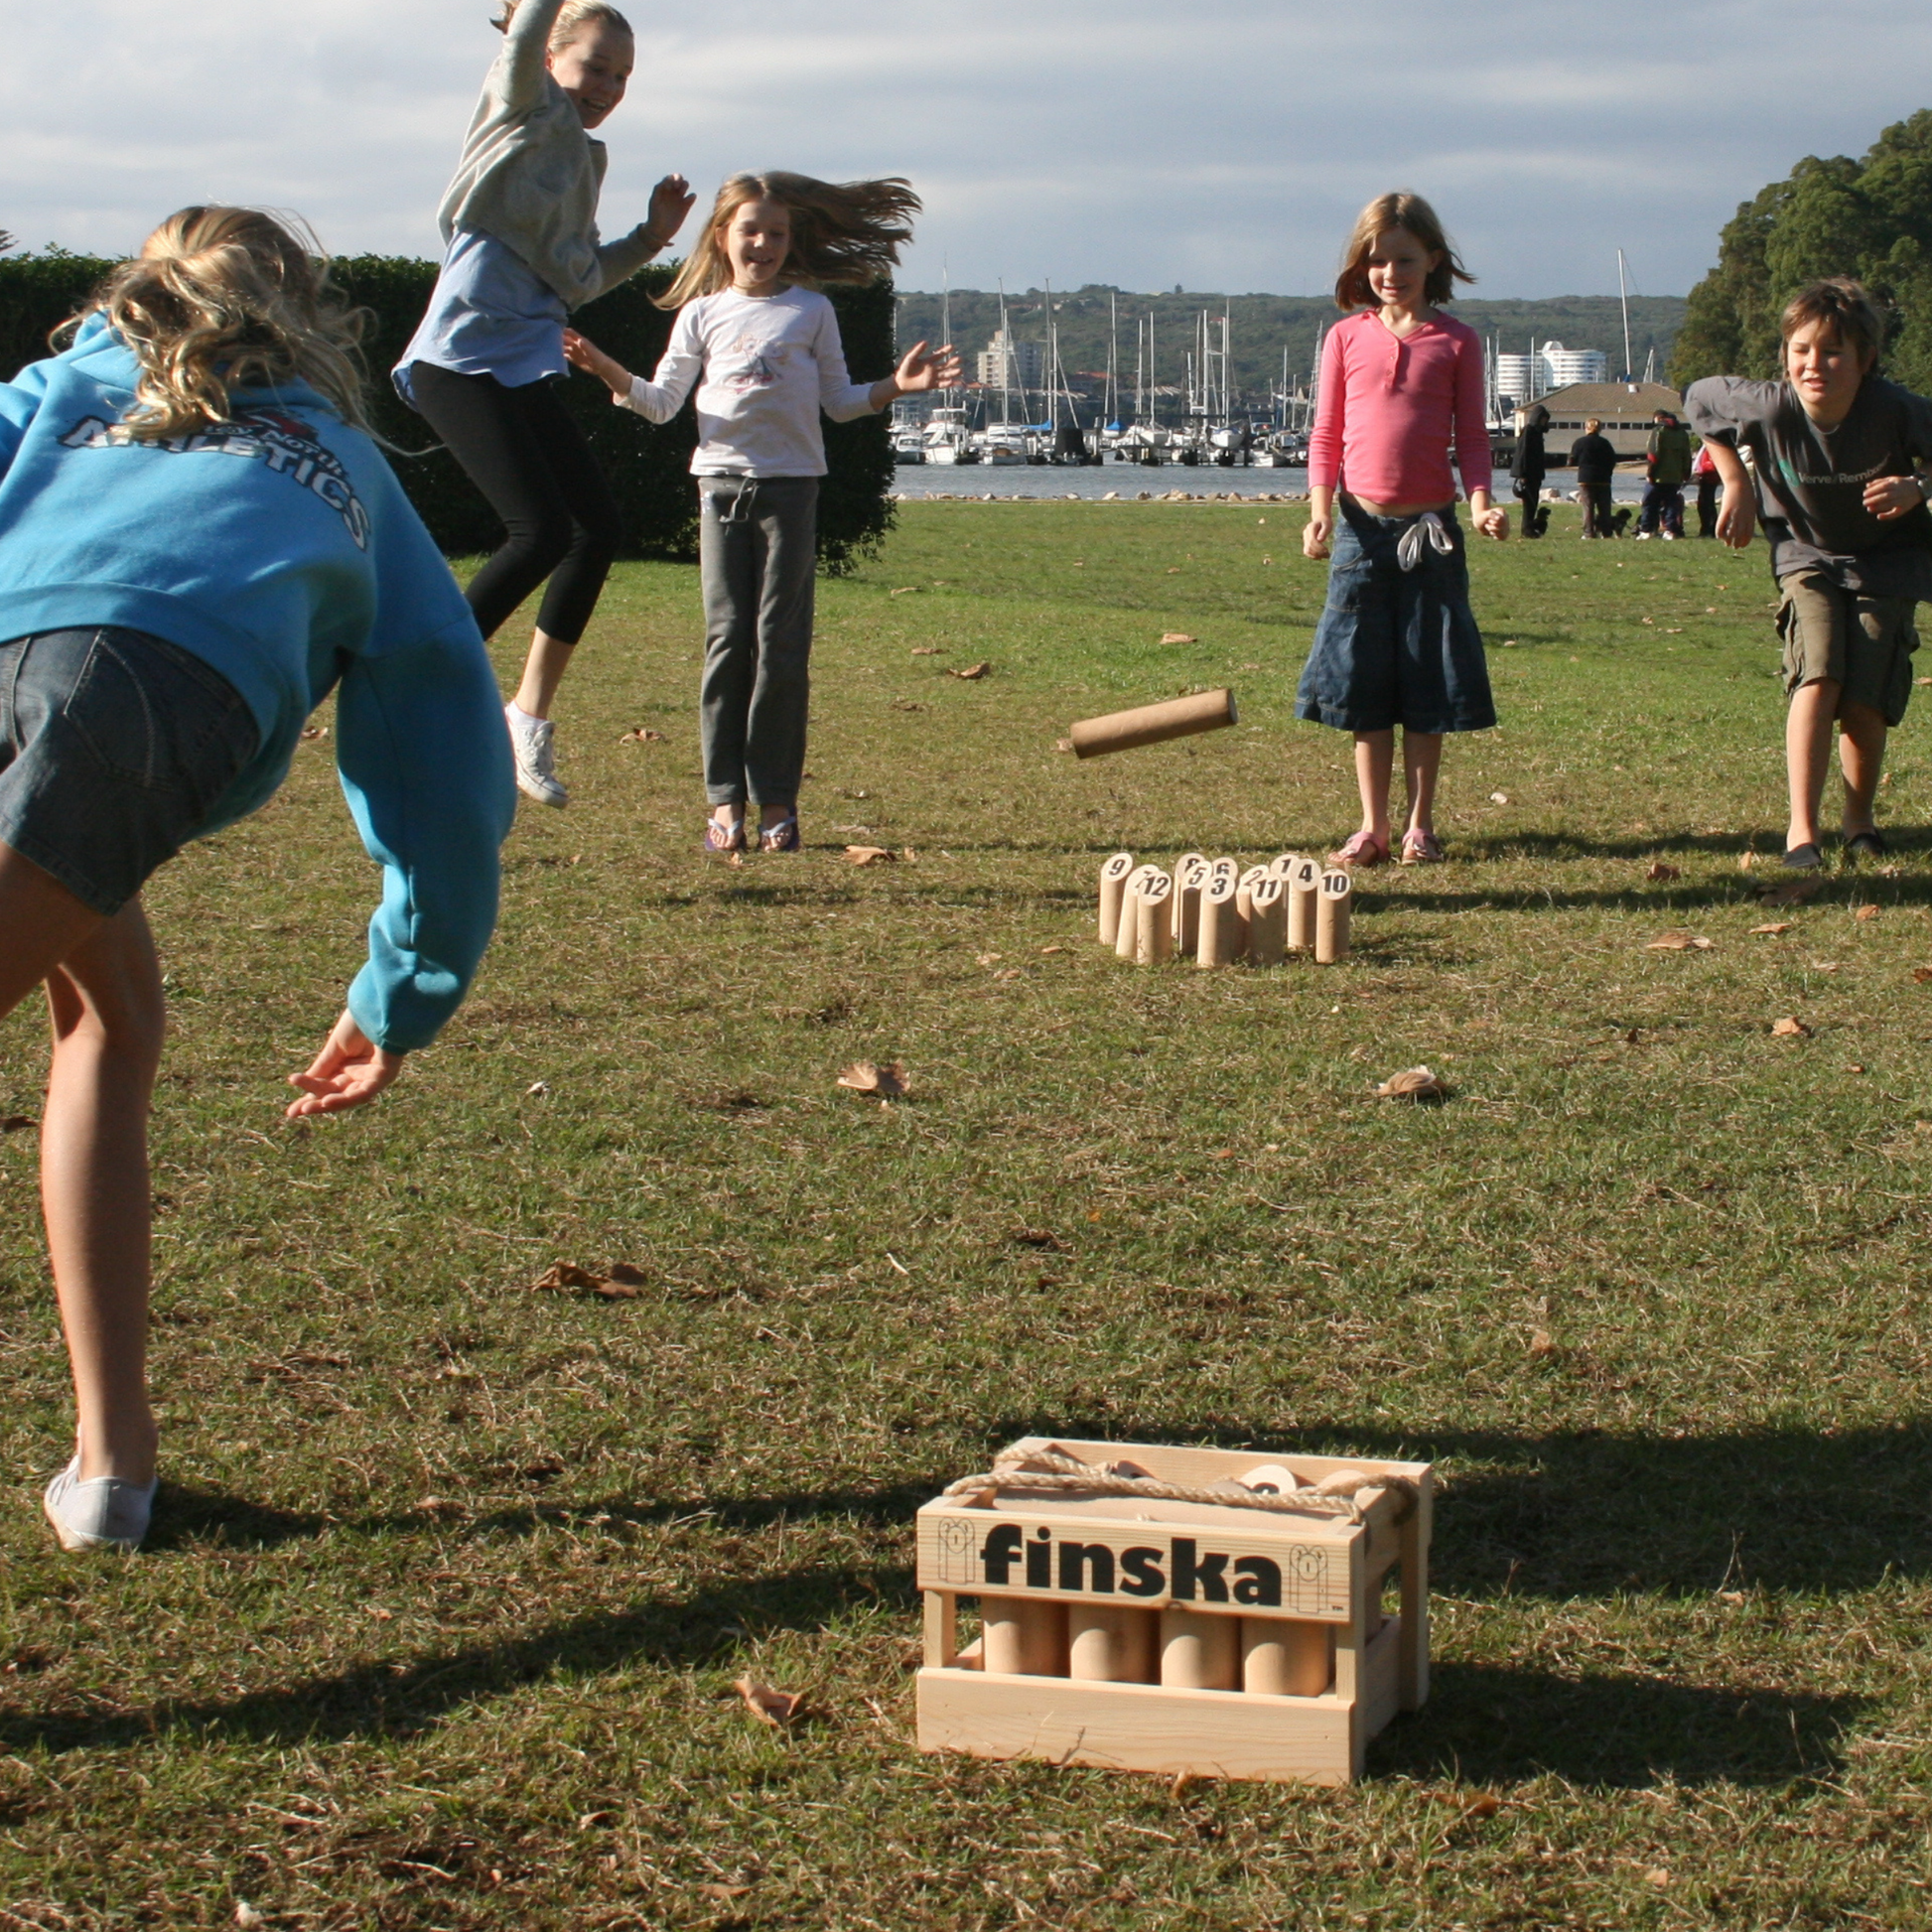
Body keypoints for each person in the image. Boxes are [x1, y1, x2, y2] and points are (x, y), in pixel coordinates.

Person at [0, 207, 515, 1551]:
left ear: (144, 290)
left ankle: (113, 1469)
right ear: (313, 316)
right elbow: (443, 764)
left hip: (33, 670)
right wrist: (404, 983)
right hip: (133, 710)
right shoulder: (346, 458)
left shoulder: (69, 386)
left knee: (112, 1019)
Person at [564, 174, 960, 853]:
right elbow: (661, 403)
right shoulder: (701, 313)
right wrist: (605, 369)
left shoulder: (811, 311)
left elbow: (838, 401)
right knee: (727, 643)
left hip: (792, 491)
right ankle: (725, 804)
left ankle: (777, 801)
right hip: (719, 490)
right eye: (751, 230)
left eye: (777, 233)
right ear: (723, 237)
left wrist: (897, 387)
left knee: (781, 646)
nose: (764, 243)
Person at [396, 0, 696, 808]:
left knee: (595, 527)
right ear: (548, 55)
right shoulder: (519, 106)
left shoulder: (585, 161)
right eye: (595, 65)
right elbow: (524, 35)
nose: (606, 85)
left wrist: (652, 237)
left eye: (622, 76)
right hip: (457, 363)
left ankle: (525, 715)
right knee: (539, 532)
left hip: (522, 362)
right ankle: (416, 687)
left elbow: (578, 278)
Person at [1689, 277, 1932, 869]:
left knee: (1865, 703)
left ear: (1866, 359)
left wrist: (1917, 486)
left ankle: (1859, 822)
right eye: (1801, 351)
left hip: (1887, 561)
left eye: (1831, 352)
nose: (1813, 365)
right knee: (1817, 674)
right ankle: (1803, 833)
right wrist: (1737, 481)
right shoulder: (1768, 404)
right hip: (1806, 555)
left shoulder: (1897, 410)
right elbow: (1698, 401)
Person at [1298, 191, 1506, 868]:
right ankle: (1371, 827)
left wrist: (1480, 504)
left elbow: (1471, 439)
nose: (1390, 272)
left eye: (1405, 259)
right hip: (1359, 532)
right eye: (1378, 260)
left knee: (1426, 681)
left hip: (1430, 536)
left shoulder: (1457, 342)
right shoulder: (1345, 337)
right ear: (1362, 266)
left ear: (1434, 261)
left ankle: (1419, 825)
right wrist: (1320, 508)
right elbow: (1326, 434)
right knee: (1365, 684)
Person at [1637, 409, 1692, 539]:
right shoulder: (1682, 433)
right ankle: (1671, 530)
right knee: (1672, 504)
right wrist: (1686, 473)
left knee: (1649, 503)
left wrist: (1650, 472)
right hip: (1675, 475)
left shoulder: (1658, 431)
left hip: (1658, 475)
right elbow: (1687, 455)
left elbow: (1653, 454)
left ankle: (1647, 530)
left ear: (1660, 418)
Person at [1570, 416, 1621, 537]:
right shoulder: (1605, 443)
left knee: (1588, 507)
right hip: (1603, 479)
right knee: (1604, 508)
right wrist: (1608, 472)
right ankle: (1606, 532)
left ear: (1586, 428)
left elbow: (1572, 460)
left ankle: (1589, 532)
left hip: (1586, 478)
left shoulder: (1580, 442)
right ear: (1599, 429)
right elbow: (1612, 460)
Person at [1511, 404, 1550, 537]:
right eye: (1543, 419)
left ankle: (1529, 528)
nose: (1544, 422)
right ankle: (1527, 529)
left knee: (1533, 502)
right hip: (1528, 473)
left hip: (1535, 473)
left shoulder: (1537, 432)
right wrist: (1521, 474)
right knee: (1529, 503)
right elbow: (1523, 453)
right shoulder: (1529, 431)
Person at [1692, 439, 1721, 537]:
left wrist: (1701, 471)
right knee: (1704, 503)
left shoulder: (1712, 447)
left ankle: (1709, 529)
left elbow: (1713, 464)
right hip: (1706, 477)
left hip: (1709, 477)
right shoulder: (1706, 447)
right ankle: (1707, 528)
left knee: (1706, 504)